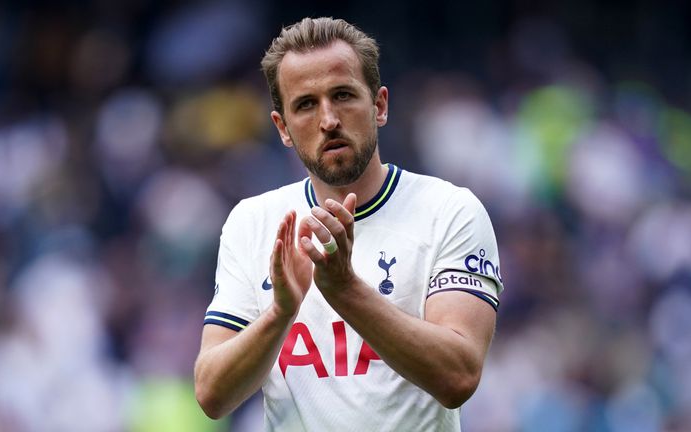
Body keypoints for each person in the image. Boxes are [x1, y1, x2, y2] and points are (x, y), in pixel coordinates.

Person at [194, 17, 503, 431]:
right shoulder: (252, 223)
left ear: (379, 105)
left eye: (343, 95)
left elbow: (459, 376)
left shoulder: (449, 210)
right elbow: (212, 394)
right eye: (305, 104)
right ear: (282, 128)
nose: (328, 120)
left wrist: (345, 289)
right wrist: (280, 314)